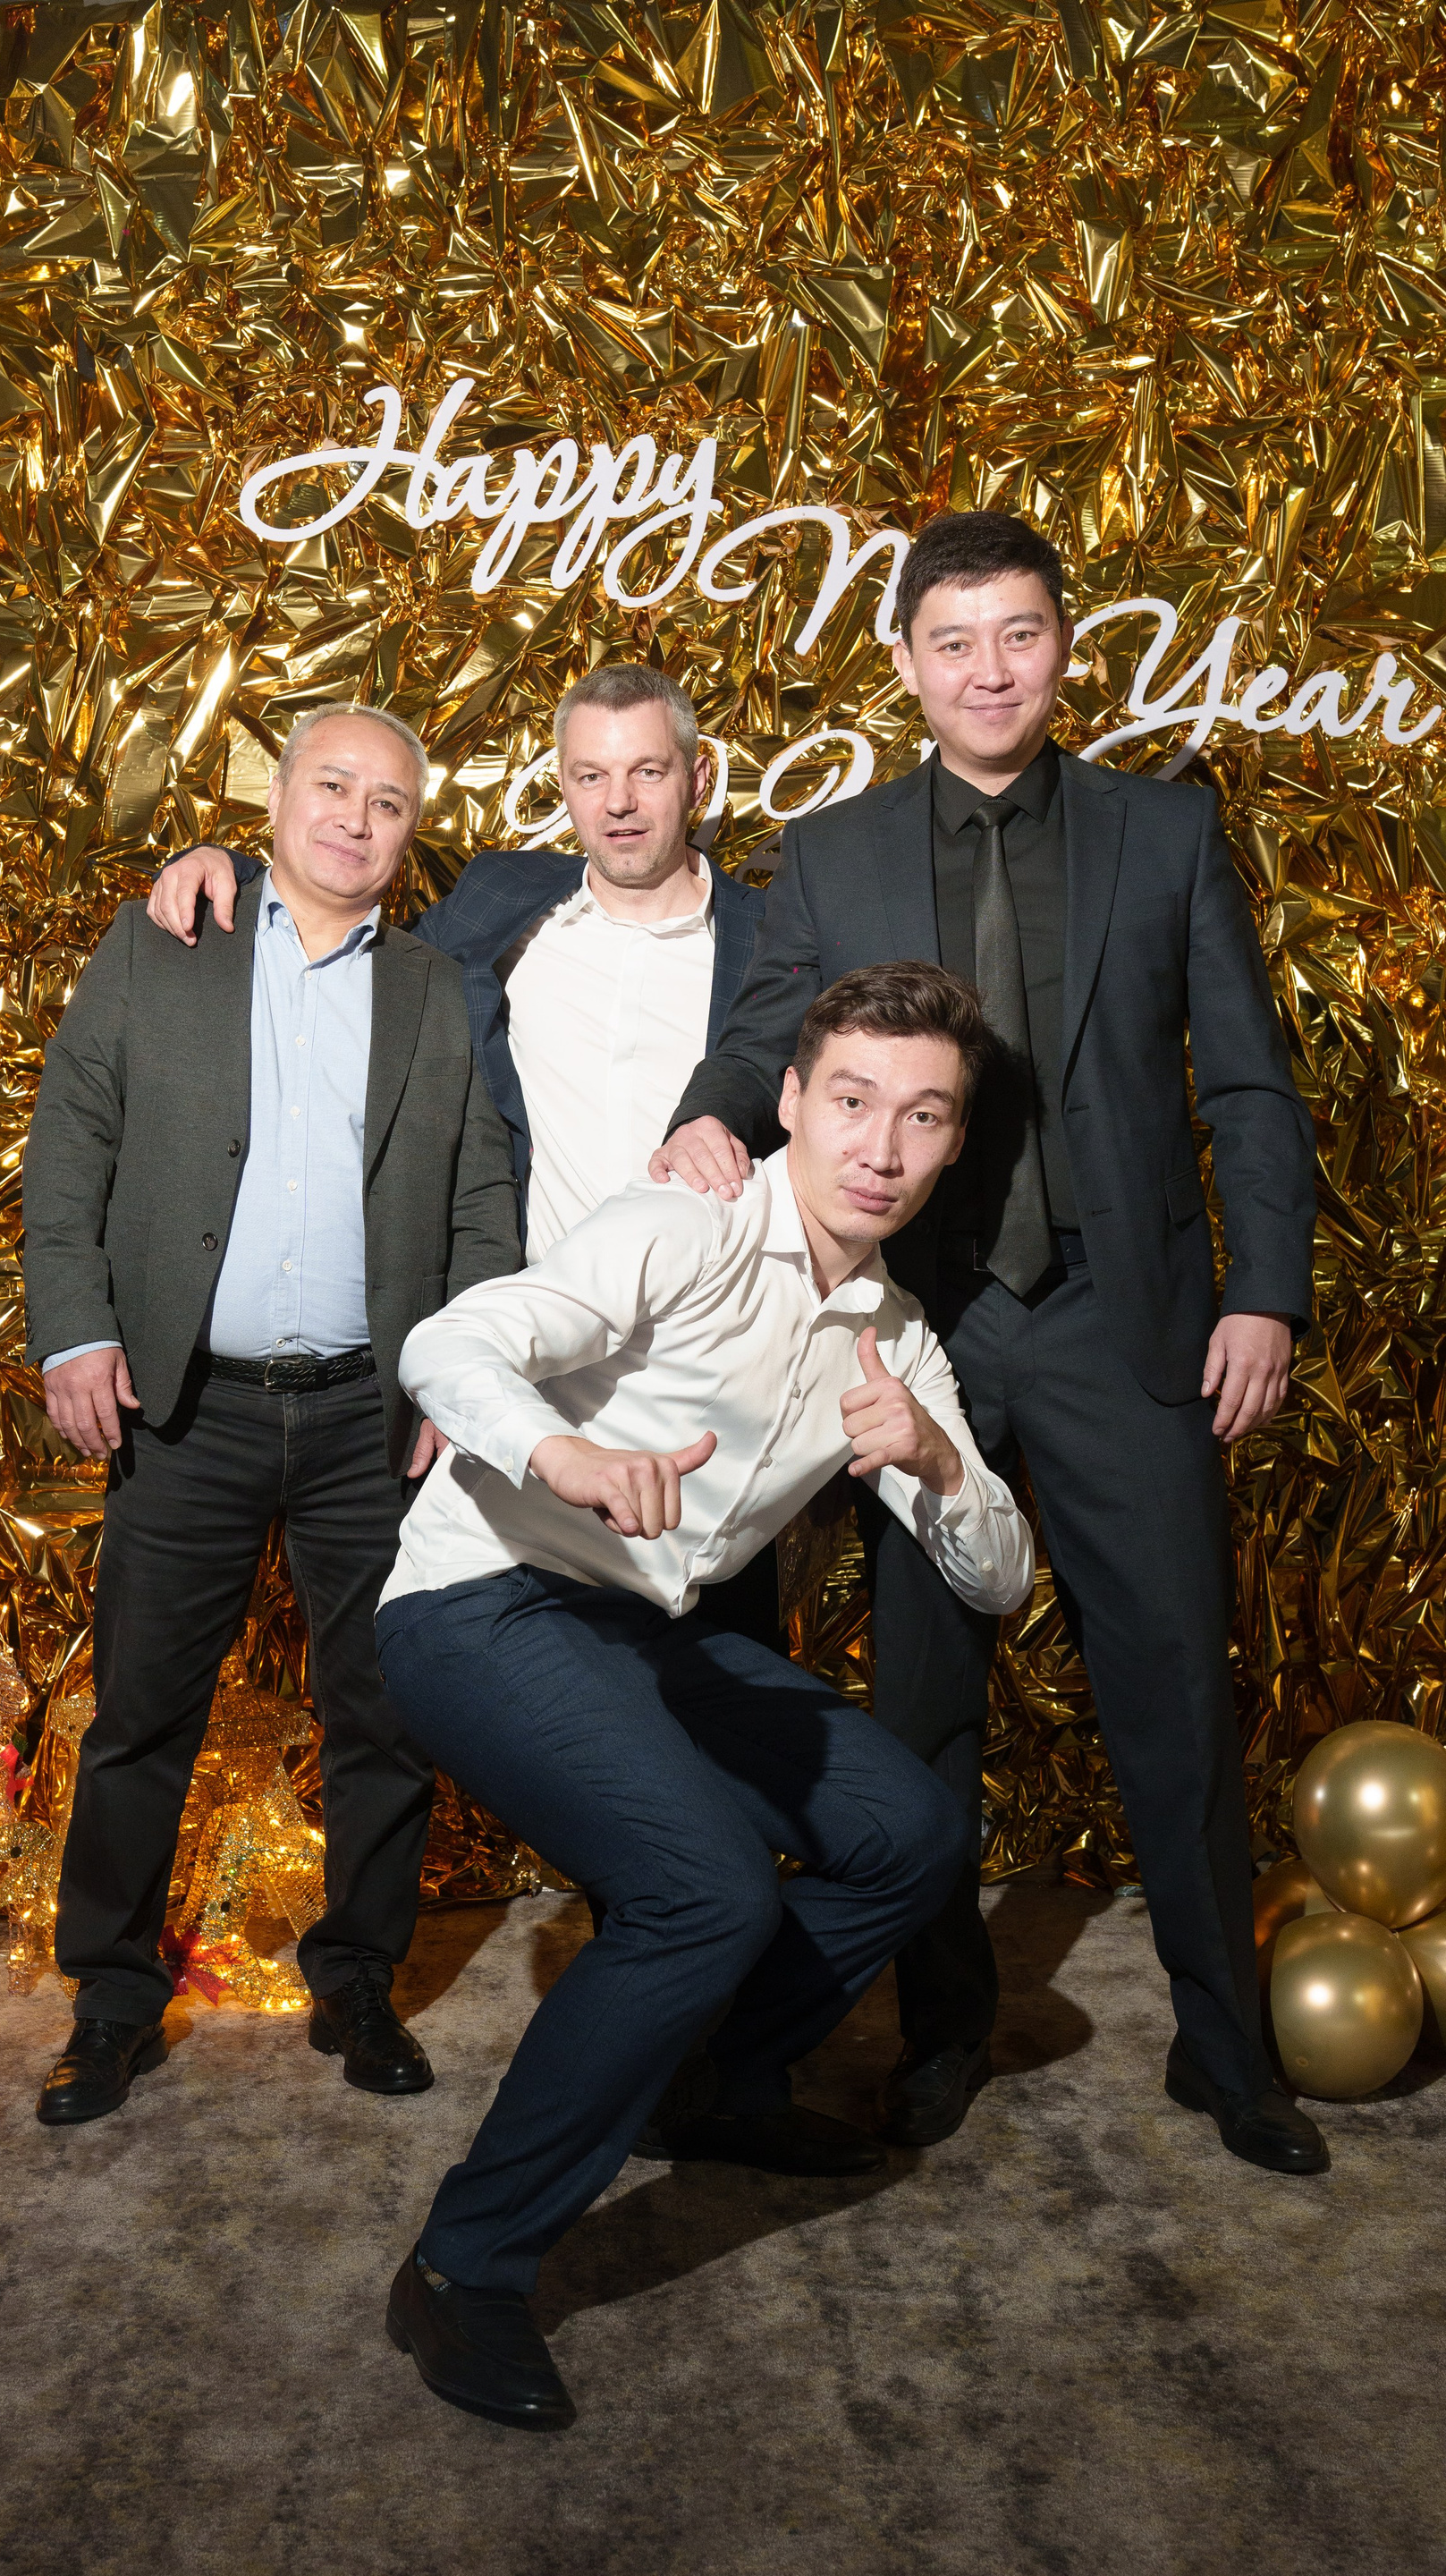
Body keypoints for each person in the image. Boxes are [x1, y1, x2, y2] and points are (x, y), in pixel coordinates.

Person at [654, 509, 1327, 2176]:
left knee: (1175, 1694)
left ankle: (1227, 2053)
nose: (989, 669)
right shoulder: (835, 850)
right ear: (907, 664)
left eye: (1019, 634)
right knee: (922, 1713)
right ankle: (941, 2034)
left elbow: (1248, 1081)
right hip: (920, 1324)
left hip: (1122, 1319)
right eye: (954, 641)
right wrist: (707, 1117)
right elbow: (767, 1034)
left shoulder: (1166, 832)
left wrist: (1266, 1291)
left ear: (1062, 647)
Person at [373, 963, 1036, 2429]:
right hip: (482, 1599)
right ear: (790, 1101)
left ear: (951, 1144)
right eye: (852, 1100)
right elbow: (448, 1344)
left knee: (913, 1834)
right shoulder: (684, 1226)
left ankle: (715, 2085)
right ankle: (462, 2266)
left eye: (925, 1117)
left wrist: (935, 1458)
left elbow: (1000, 1579)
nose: (882, 1146)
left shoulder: (895, 1335)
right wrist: (565, 1457)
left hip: (645, 1632)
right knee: (704, 1891)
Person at [21, 704, 520, 2125]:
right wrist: (76, 1328)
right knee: (141, 1716)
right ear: (277, 799)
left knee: (383, 1714)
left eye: (389, 801)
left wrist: (462, 1377)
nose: (356, 818)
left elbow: (481, 1195)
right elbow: (71, 1143)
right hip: (188, 1410)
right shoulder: (165, 942)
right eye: (333, 785)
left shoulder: (437, 989)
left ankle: (357, 1977)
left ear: (412, 833)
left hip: (372, 1414)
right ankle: (112, 1998)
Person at [148, 665, 778, 1644]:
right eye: (591, 776)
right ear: (563, 785)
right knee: (526, 1664)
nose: (618, 803)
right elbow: (342, 923)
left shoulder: (772, 942)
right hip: (536, 1370)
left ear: (697, 781)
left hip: (707, 1372)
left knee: (721, 1669)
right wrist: (222, 861)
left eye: (648, 772)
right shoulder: (504, 899)